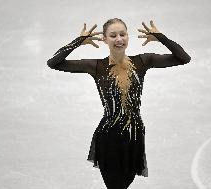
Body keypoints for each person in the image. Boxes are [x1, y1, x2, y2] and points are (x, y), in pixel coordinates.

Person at [47, 18, 191, 189]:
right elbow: (53, 63)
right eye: (113, 35)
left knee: (125, 184)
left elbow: (183, 58)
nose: (119, 39)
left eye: (122, 34)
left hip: (134, 135)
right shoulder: (96, 67)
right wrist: (78, 41)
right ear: (105, 39)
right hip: (109, 138)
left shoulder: (142, 62)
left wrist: (160, 37)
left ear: (128, 37)